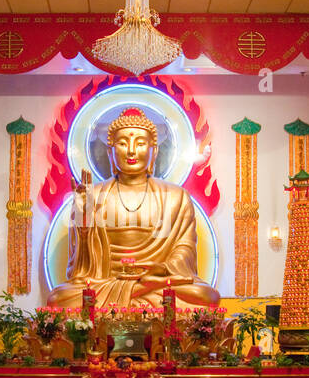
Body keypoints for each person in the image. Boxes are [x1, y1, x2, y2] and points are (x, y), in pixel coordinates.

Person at [45, 107, 219, 308]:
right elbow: (80, 270)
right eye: (122, 143)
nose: (131, 150)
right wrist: (84, 227)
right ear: (110, 152)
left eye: (141, 143)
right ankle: (135, 297)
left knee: (206, 296)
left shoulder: (175, 196)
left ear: (154, 151)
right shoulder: (93, 194)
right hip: (106, 284)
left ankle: (134, 297)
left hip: (157, 283)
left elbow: (185, 249)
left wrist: (162, 269)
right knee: (58, 300)